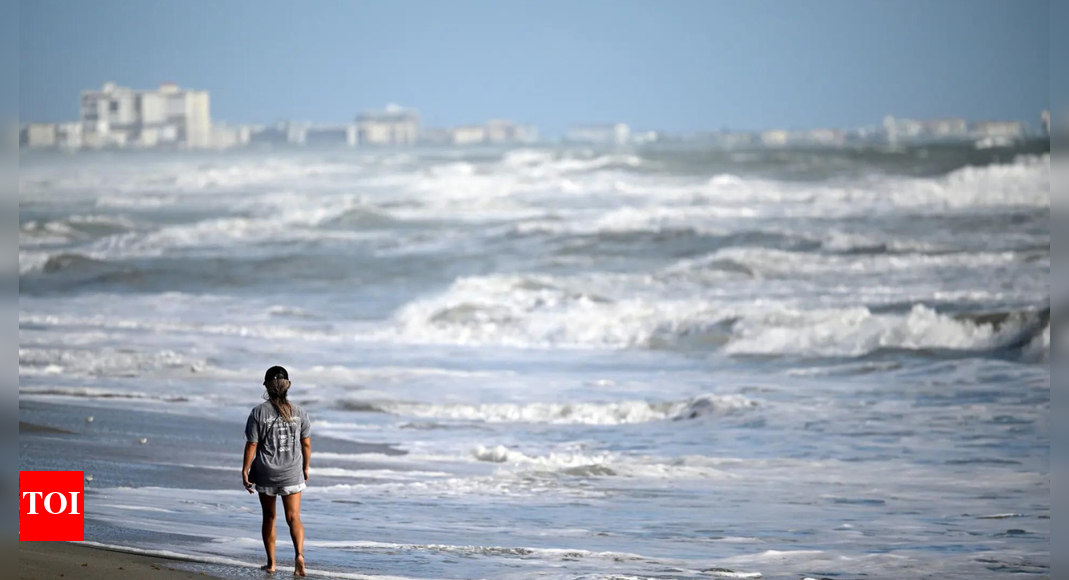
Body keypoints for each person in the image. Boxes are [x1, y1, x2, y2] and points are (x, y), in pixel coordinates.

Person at [242, 366, 311, 577]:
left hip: (266, 472)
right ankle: (299, 555)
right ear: (288, 385)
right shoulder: (299, 412)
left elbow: (252, 445)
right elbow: (306, 444)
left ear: (265, 385)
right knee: (294, 517)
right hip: (292, 472)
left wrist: (245, 469)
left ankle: (271, 563)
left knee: (269, 517)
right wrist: (305, 467)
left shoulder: (258, 412)